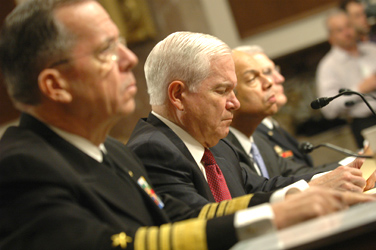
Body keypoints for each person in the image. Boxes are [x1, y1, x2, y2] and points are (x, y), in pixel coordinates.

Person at [2, 1, 372, 250]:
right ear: (55, 85)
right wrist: (274, 215)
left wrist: (298, 198)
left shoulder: (114, 152)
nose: (129, 59)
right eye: (106, 51)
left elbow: (178, 221)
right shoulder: (20, 168)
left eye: (123, 45)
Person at [127, 31, 375, 212]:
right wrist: (310, 191)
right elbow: (200, 219)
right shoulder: (152, 149)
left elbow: (263, 188)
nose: (235, 103)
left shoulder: (216, 145)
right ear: (178, 95)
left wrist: (340, 175)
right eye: (222, 90)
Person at [232, 45, 315, 168]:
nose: (278, 79)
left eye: (275, 70)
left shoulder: (268, 126)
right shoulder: (249, 132)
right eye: (267, 72)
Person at [316, 9, 376, 148]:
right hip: (365, 123)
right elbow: (328, 110)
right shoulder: (328, 66)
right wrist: (359, 89)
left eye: (348, 26)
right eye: (340, 30)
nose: (347, 32)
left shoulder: (372, 50)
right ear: (331, 37)